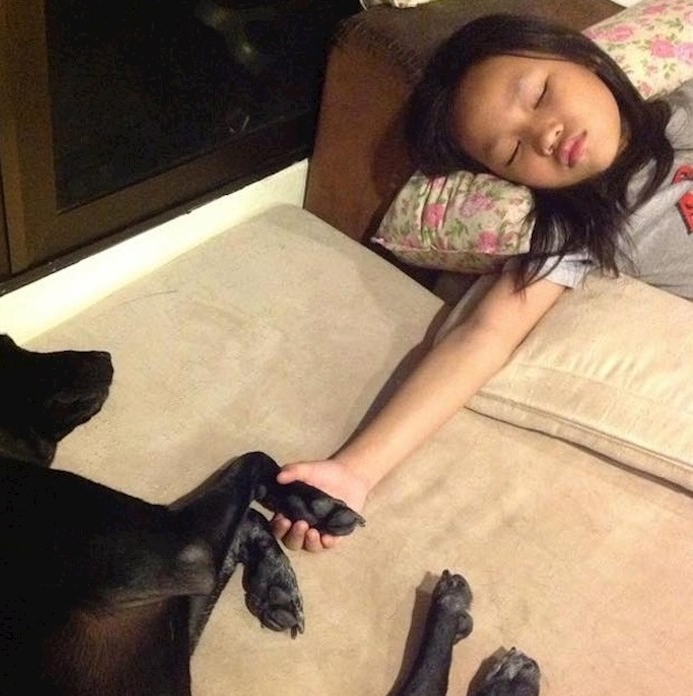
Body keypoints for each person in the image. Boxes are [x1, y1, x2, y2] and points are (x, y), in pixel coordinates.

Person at [271, 13, 692, 552]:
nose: (544, 135)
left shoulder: (682, 106)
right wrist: (355, 470)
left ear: (583, 60)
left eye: (539, 94)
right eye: (512, 153)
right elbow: (483, 336)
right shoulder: (571, 230)